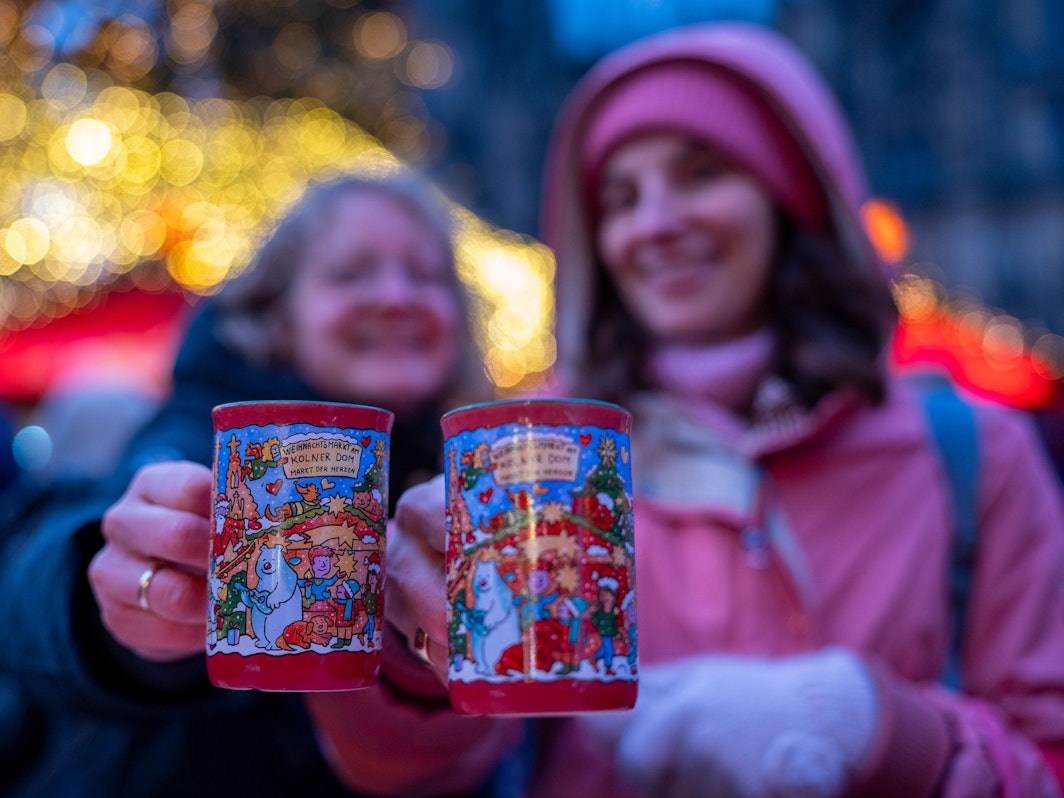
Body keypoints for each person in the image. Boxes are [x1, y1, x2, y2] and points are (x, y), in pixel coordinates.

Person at [309, 22, 1064, 798]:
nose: (657, 223)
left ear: (789, 197)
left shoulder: (972, 453)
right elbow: (415, 771)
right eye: (620, 197)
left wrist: (884, 730)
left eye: (701, 173)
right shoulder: (533, 454)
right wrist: (417, 660)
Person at [0, 170, 507, 797]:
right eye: (351, 273)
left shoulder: (479, 476)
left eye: (426, 277)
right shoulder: (211, 432)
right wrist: (111, 602)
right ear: (281, 312)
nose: (396, 297)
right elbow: (42, 561)